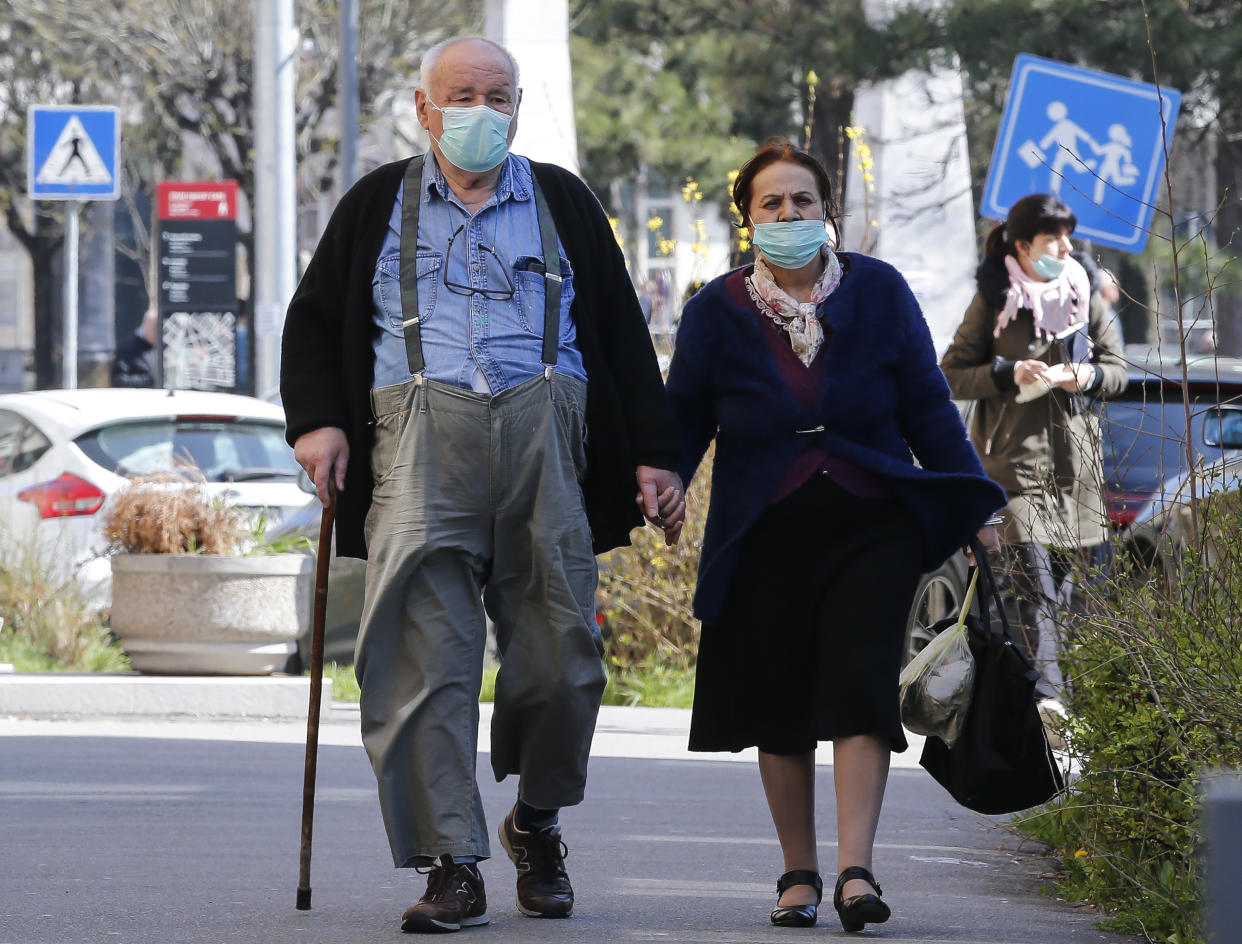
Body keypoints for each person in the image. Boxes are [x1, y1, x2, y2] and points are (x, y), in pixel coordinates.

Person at [280, 36, 684, 934]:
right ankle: (452, 863)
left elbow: (619, 329)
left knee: (562, 658)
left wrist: (655, 452)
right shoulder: (376, 201)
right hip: (417, 450)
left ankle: (534, 822)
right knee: (425, 664)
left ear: (518, 104)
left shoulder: (562, 199)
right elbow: (312, 324)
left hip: (548, 445)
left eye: (496, 95)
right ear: (424, 110)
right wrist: (318, 425)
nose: (479, 110)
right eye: (460, 95)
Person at [664, 139, 1005, 933]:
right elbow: (684, 419)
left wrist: (978, 507)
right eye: (771, 204)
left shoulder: (879, 291)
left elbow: (926, 406)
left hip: (872, 522)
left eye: (803, 202)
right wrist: (667, 477)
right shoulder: (715, 309)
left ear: (829, 213)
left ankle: (856, 870)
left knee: (859, 685)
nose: (788, 215)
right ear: (748, 220)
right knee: (778, 701)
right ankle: (797, 874)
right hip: (765, 528)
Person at [940, 193, 1127, 717]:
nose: (1066, 248)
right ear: (1022, 246)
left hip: (1077, 472)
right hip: (1012, 472)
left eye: (1069, 237)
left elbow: (1117, 369)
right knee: (1035, 594)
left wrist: (1084, 376)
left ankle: (1039, 706)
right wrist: (1006, 373)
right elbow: (950, 373)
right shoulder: (994, 299)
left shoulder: (1085, 293)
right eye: (1053, 240)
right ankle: (1050, 707)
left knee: (1065, 602)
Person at [111, 307, 159, 387]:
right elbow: (118, 380)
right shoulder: (126, 349)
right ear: (145, 326)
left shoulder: (162, 348)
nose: (158, 333)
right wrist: (148, 381)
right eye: (155, 328)